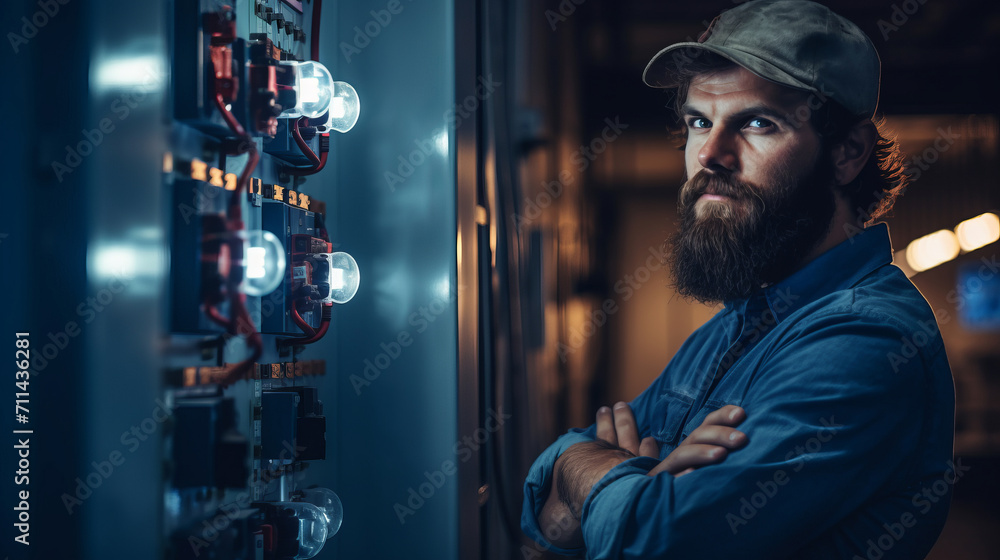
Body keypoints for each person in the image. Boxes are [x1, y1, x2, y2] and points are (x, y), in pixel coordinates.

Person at [520, 1, 956, 558]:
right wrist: (616, 484)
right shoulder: (734, 326)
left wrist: (585, 471)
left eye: (756, 123)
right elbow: (542, 524)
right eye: (700, 121)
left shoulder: (867, 342)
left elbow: (655, 542)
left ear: (847, 153)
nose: (709, 154)